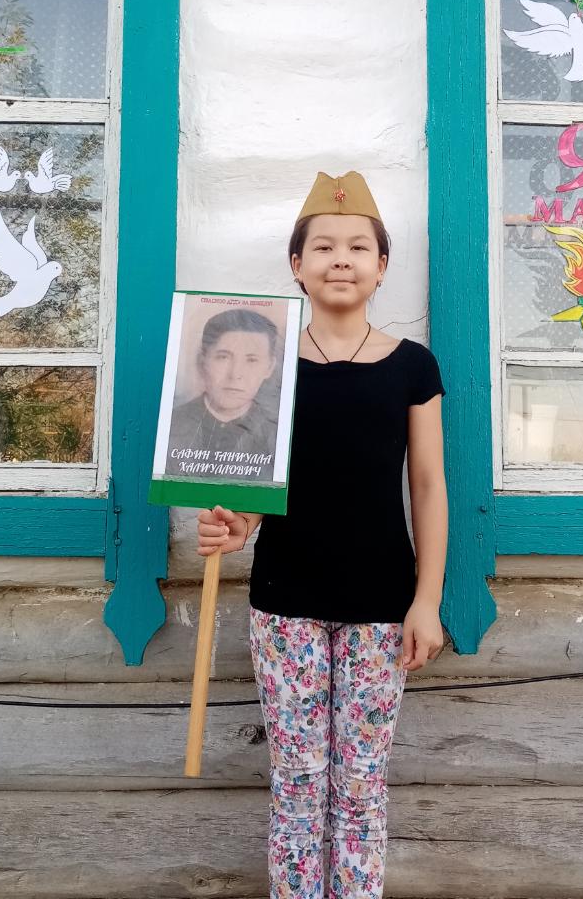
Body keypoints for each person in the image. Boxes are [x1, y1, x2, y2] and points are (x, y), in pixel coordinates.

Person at [197, 171, 448, 899]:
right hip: (286, 605)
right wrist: (233, 527)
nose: (342, 259)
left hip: (382, 608)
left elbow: (428, 485)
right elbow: (257, 489)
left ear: (382, 266)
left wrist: (426, 600)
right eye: (324, 246)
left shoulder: (413, 366)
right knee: (298, 785)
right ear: (296, 265)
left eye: (359, 247)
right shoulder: (270, 369)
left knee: (362, 787)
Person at [167, 308, 279, 483]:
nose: (235, 374)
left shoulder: (277, 433)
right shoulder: (171, 423)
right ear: (203, 360)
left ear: (269, 367)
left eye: (251, 360)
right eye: (223, 357)